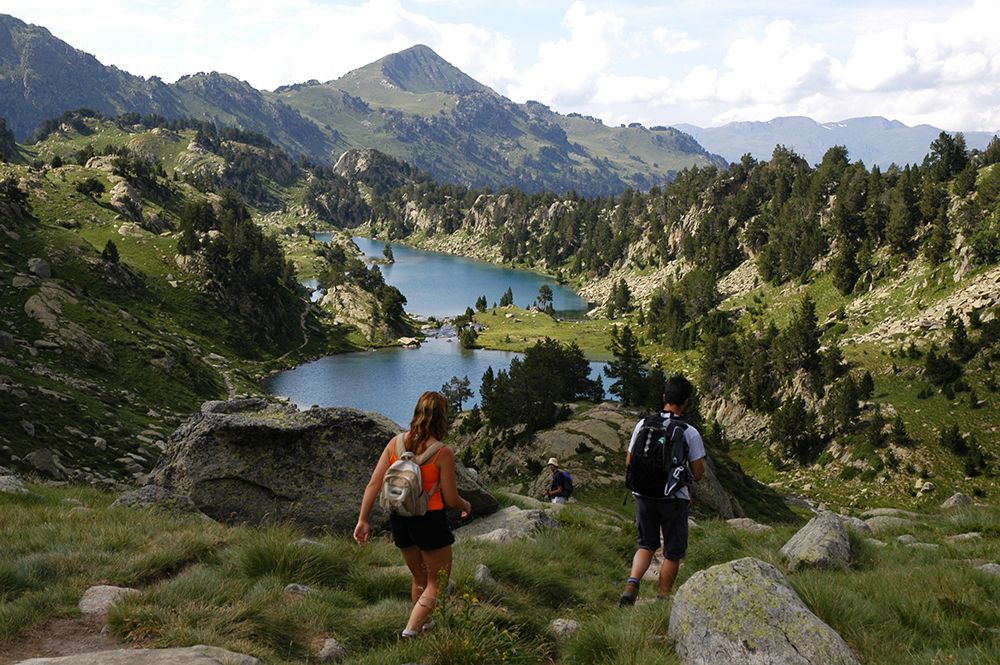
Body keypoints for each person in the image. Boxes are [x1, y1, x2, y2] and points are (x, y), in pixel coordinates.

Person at [354, 391, 471, 639]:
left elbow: (373, 485)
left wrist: (363, 520)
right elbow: (451, 499)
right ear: (441, 418)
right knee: (437, 583)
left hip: (399, 519)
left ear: (417, 412)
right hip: (429, 520)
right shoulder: (442, 452)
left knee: (420, 578)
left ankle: (425, 625)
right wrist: (465, 504)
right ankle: (410, 632)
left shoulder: (395, 444)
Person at [619, 376, 705, 606]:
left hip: (643, 495)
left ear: (665, 397)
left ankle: (632, 582)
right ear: (686, 402)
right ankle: (662, 598)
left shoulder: (643, 424)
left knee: (646, 544)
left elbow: (629, 461)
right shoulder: (689, 431)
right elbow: (697, 473)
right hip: (673, 498)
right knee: (673, 552)